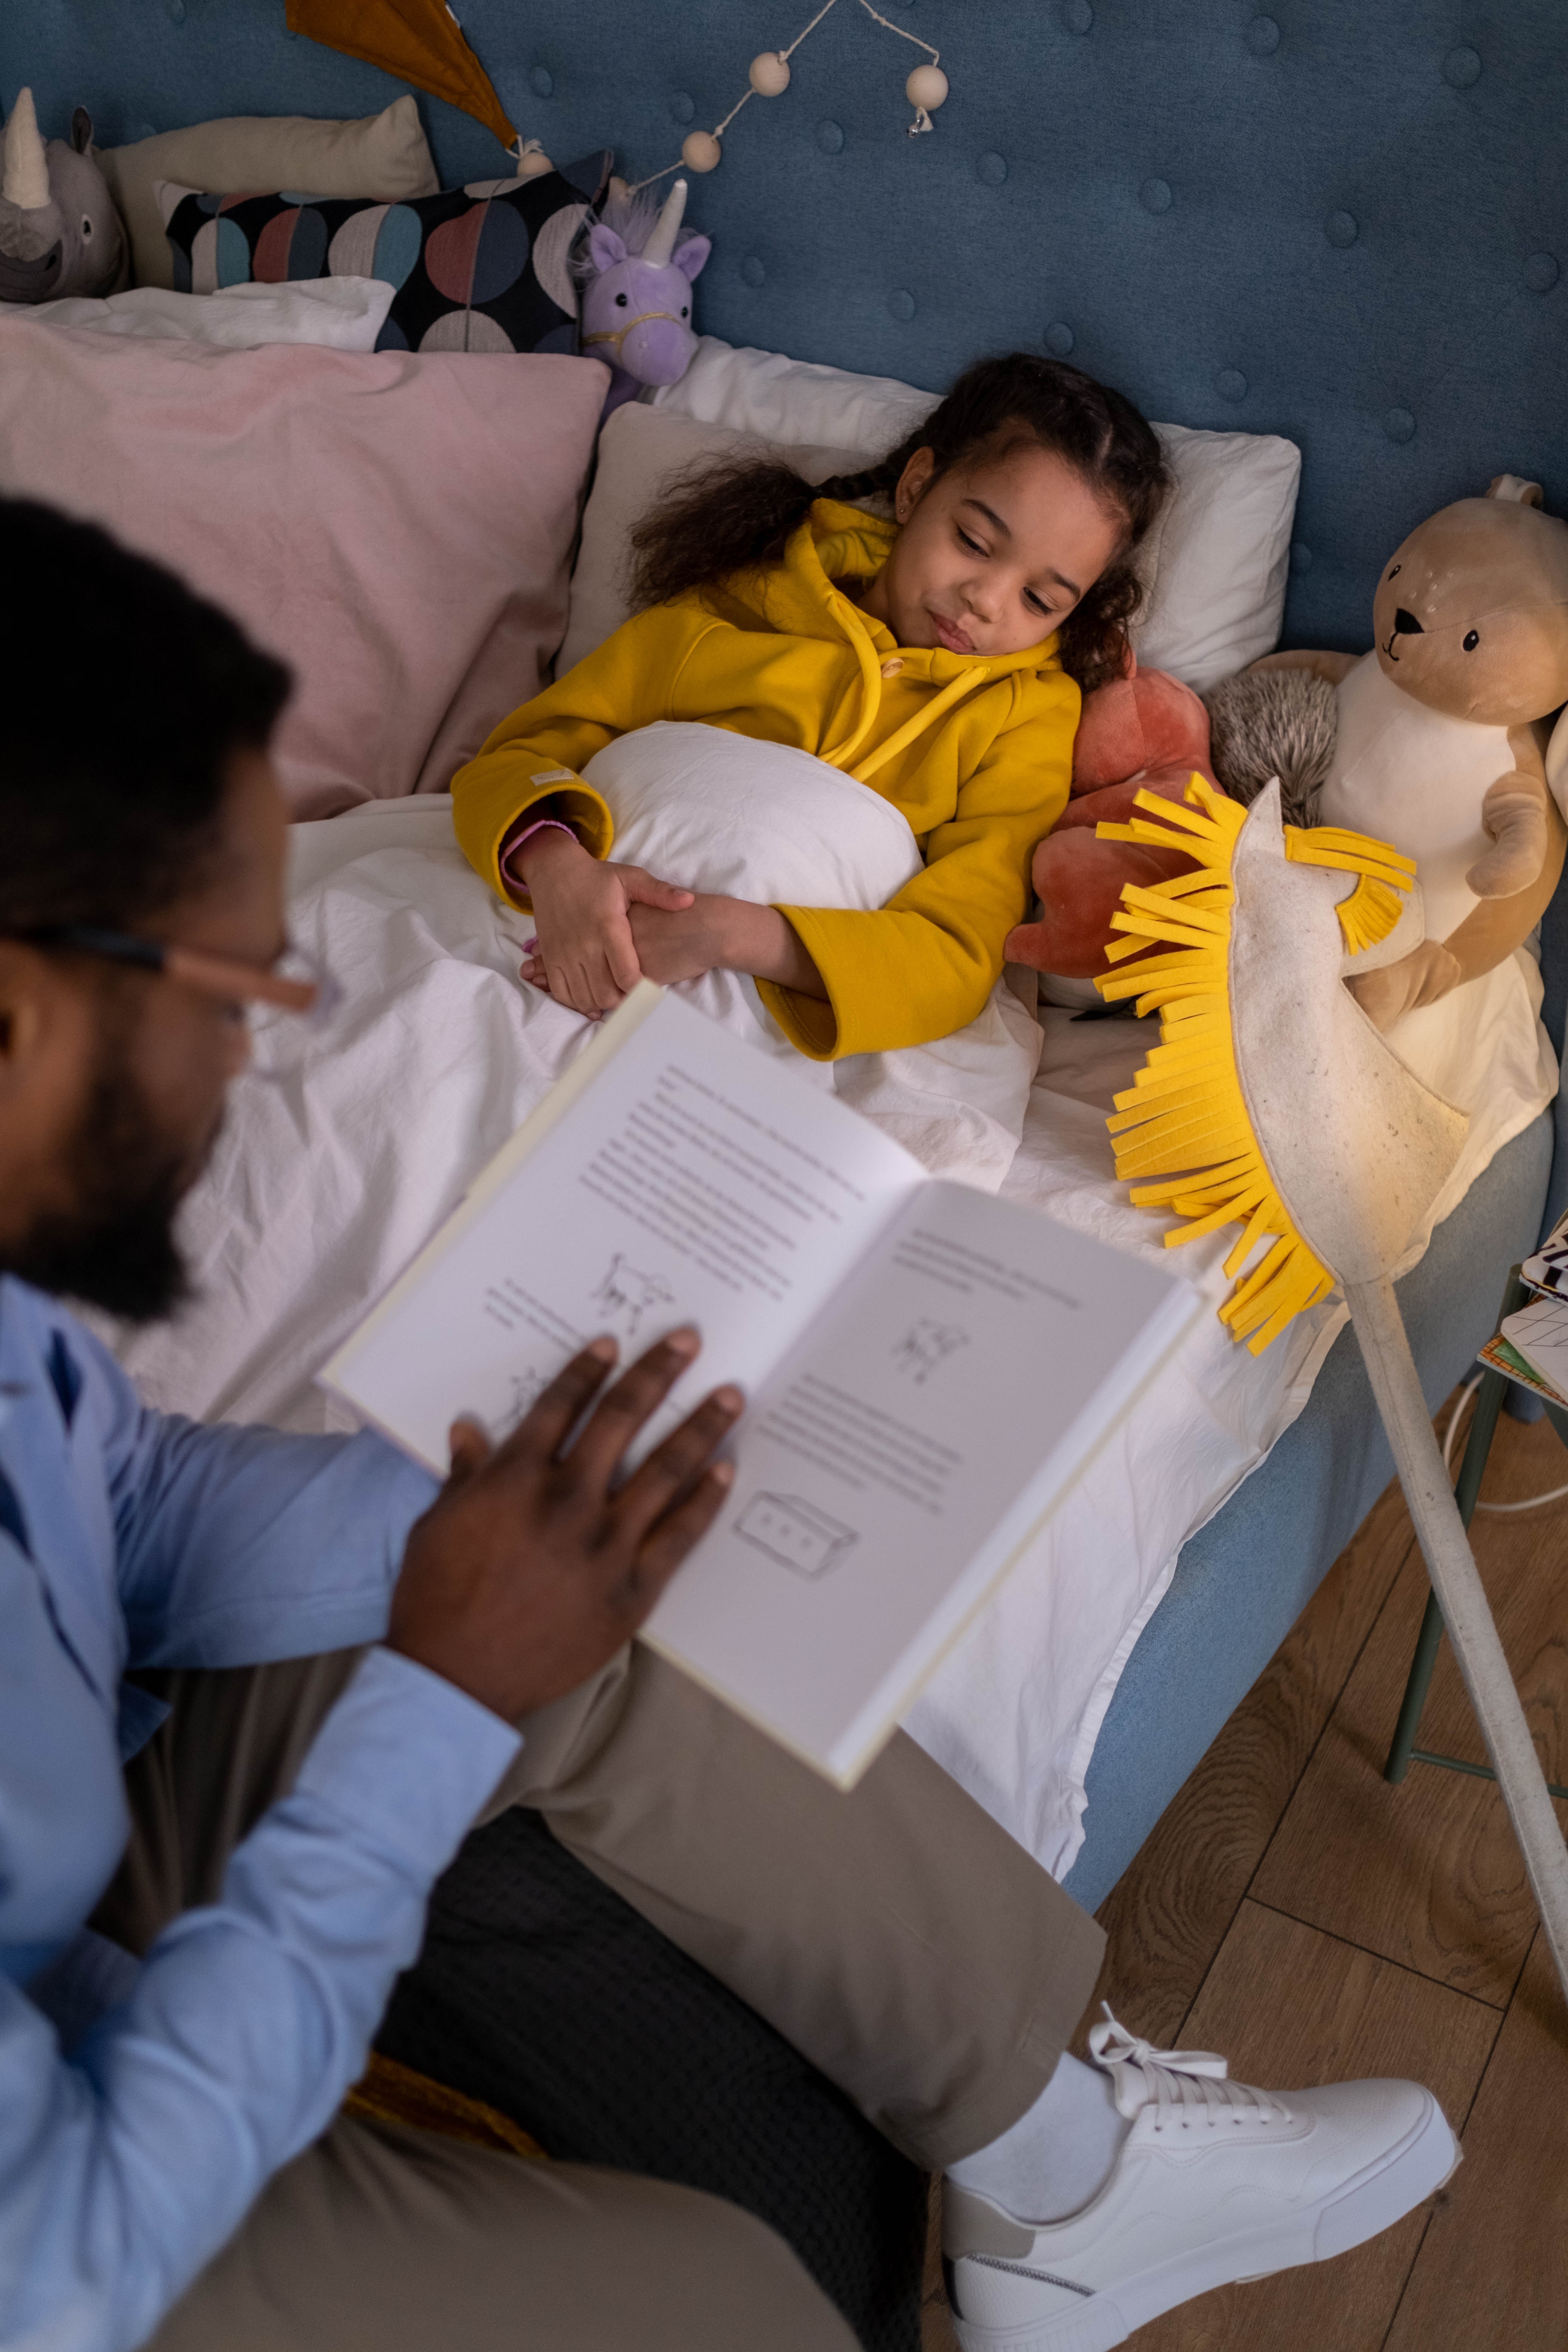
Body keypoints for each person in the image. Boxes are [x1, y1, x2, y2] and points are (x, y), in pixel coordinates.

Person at [0, 496, 1460, 2352]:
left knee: (566, 1618)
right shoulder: (724, 628)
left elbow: (109, 1482)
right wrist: (442, 1685)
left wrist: (450, 1531)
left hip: (91, 1768)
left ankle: (1074, 2163)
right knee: (736, 2298)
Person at [450, 352, 1168, 1056]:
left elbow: (955, 951)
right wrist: (557, 869)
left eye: (1038, 600)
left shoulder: (1025, 717)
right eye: (973, 542)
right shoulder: (742, 603)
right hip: (553, 929)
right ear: (917, 488)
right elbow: (514, 759)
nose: (985, 600)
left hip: (764, 1008)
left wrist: (728, 932)